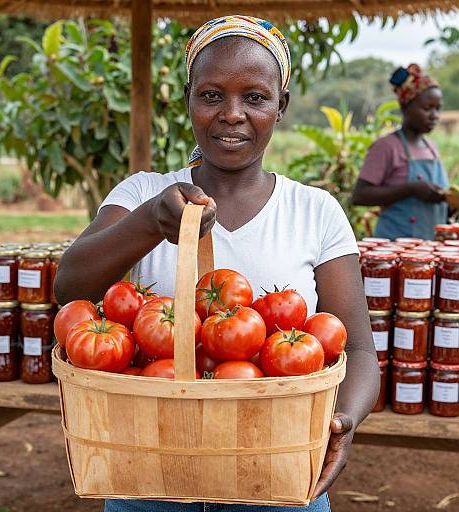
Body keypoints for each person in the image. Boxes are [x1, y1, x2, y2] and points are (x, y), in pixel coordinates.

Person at [55, 15, 379, 512]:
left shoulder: (315, 212)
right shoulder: (143, 192)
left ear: (280, 105)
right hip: (150, 473)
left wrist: (343, 424)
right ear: (189, 100)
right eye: (211, 95)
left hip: (279, 472)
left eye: (254, 97)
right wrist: (148, 223)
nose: (232, 114)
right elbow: (69, 284)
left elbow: (357, 349)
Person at [352, 64, 448, 240]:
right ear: (405, 108)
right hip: (395, 247)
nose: (435, 115)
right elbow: (360, 195)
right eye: (427, 108)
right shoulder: (387, 147)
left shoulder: (432, 148)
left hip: (427, 250)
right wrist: (411, 189)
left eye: (438, 108)